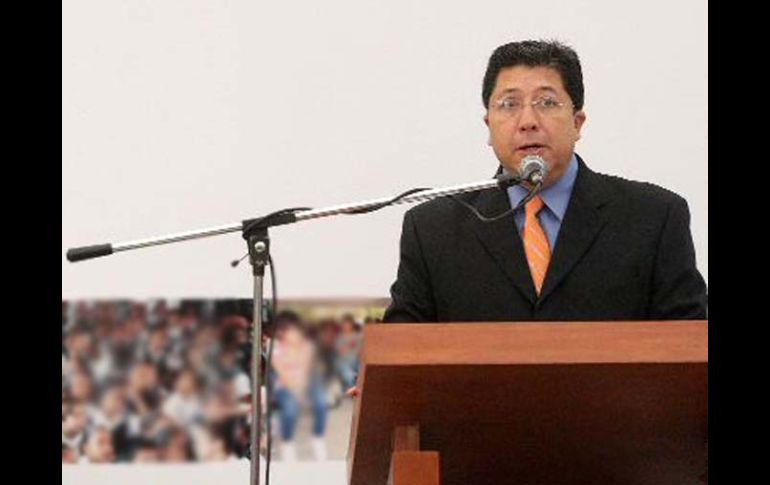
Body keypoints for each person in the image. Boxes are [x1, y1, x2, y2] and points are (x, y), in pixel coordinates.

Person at [384, 39, 707, 323]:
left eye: (547, 103)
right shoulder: (432, 230)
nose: (528, 121)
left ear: (577, 123)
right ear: (489, 126)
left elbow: (689, 342)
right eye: (509, 104)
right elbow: (402, 346)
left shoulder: (654, 217)